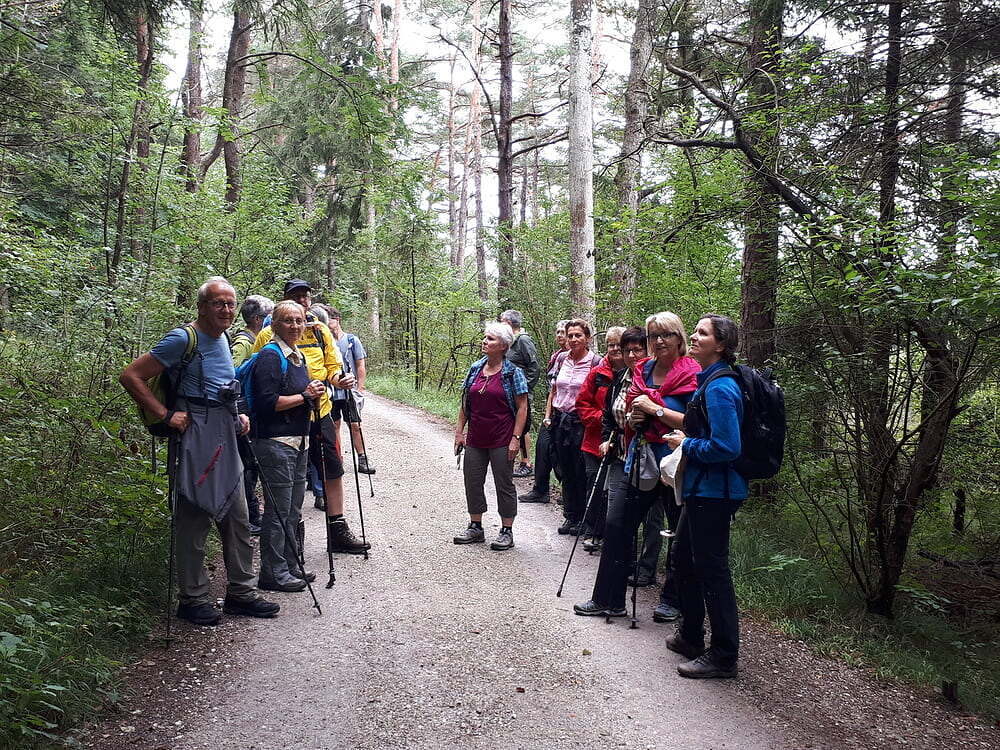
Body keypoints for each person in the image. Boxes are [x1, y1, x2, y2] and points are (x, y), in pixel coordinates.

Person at [119, 276, 279, 626]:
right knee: (194, 515)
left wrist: (238, 413)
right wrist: (165, 414)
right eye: (218, 303)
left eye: (231, 303)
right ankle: (192, 599)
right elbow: (131, 375)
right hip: (195, 433)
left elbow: (221, 383)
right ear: (202, 306)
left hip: (224, 430)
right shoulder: (182, 338)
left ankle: (242, 592)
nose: (226, 309)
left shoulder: (223, 337)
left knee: (237, 514)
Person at [574, 312, 698, 620]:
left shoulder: (693, 373)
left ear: (679, 338)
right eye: (653, 335)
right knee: (617, 527)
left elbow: (697, 423)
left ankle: (673, 600)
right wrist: (633, 418)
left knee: (679, 533)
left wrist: (654, 409)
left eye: (666, 334)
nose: (659, 341)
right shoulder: (643, 369)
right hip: (640, 456)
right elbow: (628, 409)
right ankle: (608, 598)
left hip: (675, 464)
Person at [253, 280, 369, 555]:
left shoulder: (319, 331)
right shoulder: (267, 335)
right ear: (285, 302)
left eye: (306, 296)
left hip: (321, 411)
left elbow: (332, 367)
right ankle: (292, 539)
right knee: (292, 477)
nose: (303, 301)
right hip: (286, 417)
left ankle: (337, 530)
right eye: (297, 297)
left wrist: (341, 380)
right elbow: (261, 376)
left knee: (333, 468)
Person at [664, 313, 746, 679]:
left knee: (713, 571)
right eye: (695, 331)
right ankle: (692, 635)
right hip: (701, 488)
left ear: (722, 345)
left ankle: (724, 654)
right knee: (683, 559)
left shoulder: (720, 387)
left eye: (702, 333)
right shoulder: (707, 381)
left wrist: (687, 444)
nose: (693, 337)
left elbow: (728, 446)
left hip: (716, 491)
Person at [250, 301, 326, 592]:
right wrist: (305, 394)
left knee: (293, 509)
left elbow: (300, 397)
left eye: (299, 321)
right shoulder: (270, 356)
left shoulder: (297, 357)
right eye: (288, 321)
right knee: (279, 510)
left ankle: (290, 564)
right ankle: (272, 572)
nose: (295, 326)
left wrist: (313, 395)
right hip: (275, 442)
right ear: (274, 325)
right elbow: (267, 404)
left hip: (298, 442)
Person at [453, 323, 529, 551]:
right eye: (485, 337)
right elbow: (466, 402)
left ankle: (507, 530)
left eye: (491, 339)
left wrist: (516, 438)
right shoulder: (476, 368)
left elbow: (522, 407)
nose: (485, 342)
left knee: (504, 483)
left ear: (504, 346)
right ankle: (475, 526)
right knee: (472, 480)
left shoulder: (513, 373)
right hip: (476, 437)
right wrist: (459, 431)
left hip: (502, 438)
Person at [546, 318, 601, 535]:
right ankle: (570, 516)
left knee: (581, 471)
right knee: (564, 469)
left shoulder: (595, 362)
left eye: (578, 335)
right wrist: (548, 416)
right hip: (560, 420)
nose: (573, 339)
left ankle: (584, 519)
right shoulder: (561, 359)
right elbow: (553, 389)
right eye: (570, 335)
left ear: (587, 338)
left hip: (582, 422)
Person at [575, 326, 626, 549]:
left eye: (618, 345)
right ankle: (592, 530)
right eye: (610, 345)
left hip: (620, 444)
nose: (614, 349)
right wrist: (603, 419)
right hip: (594, 441)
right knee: (594, 485)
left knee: (612, 490)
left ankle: (610, 534)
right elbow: (582, 403)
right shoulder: (598, 373)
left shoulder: (635, 372)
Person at [232, 294, 274, 535]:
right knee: (248, 465)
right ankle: (251, 518)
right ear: (258, 319)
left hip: (252, 412)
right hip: (244, 412)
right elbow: (232, 372)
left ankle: (253, 517)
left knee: (253, 466)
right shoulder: (244, 342)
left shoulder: (256, 339)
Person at [518, 320, 569, 504]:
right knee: (542, 448)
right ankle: (540, 490)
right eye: (558, 332)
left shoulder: (576, 359)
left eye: (564, 332)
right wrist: (547, 414)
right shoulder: (557, 356)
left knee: (561, 455)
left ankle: (568, 494)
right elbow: (552, 389)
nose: (560, 335)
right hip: (552, 411)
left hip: (567, 414)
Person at [322, 305, 375, 476]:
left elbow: (360, 365)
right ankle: (339, 459)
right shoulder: (324, 341)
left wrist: (359, 388)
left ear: (337, 320)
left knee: (355, 425)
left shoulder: (352, 340)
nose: (328, 322)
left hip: (350, 392)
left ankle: (362, 458)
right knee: (335, 425)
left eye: (330, 318)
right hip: (332, 391)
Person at [500, 309, 539, 478]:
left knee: (523, 426)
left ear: (509, 323)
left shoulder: (523, 340)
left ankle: (526, 462)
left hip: (521, 393)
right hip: (507, 393)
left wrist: (524, 389)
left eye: (501, 320)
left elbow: (534, 367)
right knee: (514, 424)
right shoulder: (508, 341)